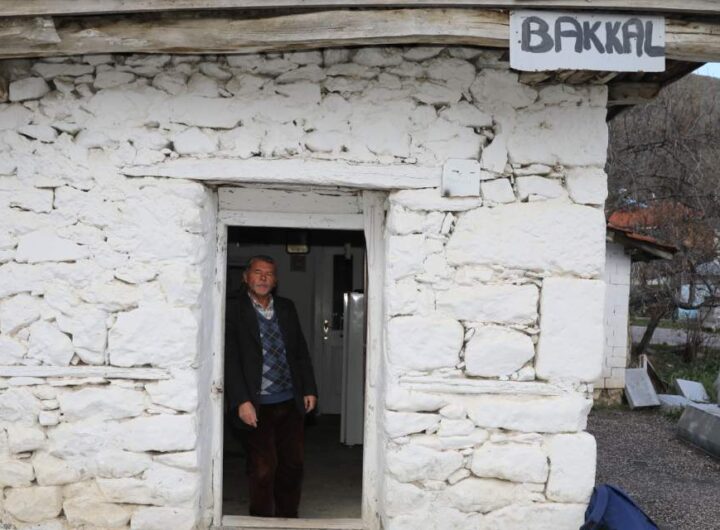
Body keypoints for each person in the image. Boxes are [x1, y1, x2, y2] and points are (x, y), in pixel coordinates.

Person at [225, 255, 318, 518]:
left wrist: (309, 388)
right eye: (258, 272)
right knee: (262, 468)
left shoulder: (286, 308)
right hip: (257, 404)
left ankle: (288, 518)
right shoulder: (233, 309)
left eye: (269, 273)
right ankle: (261, 519)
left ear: (275, 281)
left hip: (290, 401)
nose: (263, 278)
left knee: (293, 466)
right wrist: (241, 400)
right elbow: (230, 358)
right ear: (246, 277)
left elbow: (300, 351)